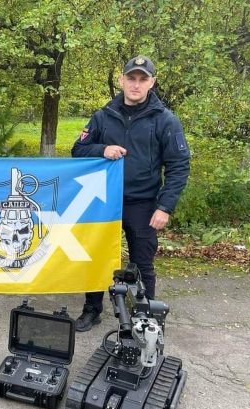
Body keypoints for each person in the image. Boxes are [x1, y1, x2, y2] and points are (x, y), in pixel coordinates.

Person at [71, 55, 190, 332]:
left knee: (142, 261)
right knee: (97, 258)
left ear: (152, 82)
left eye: (143, 79)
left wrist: (165, 207)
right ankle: (92, 309)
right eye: (131, 78)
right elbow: (78, 150)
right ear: (122, 80)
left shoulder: (165, 120)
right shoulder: (102, 116)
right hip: (103, 202)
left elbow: (179, 165)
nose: (136, 85)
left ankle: (146, 315)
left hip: (144, 203)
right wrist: (102, 149)